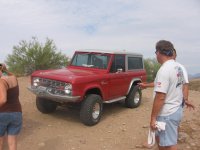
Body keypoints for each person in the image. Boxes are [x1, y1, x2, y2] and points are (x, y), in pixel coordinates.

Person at [149, 40, 190, 150]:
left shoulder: (164, 69)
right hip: (176, 109)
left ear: (158, 52)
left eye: (155, 52)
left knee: (168, 145)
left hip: (167, 113)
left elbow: (160, 96)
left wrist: (153, 118)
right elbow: (182, 85)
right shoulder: (178, 67)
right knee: (167, 141)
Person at [0, 64, 22, 150]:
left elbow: (3, 99)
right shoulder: (13, 77)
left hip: (3, 114)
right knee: (12, 143)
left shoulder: (2, 81)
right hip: (17, 113)